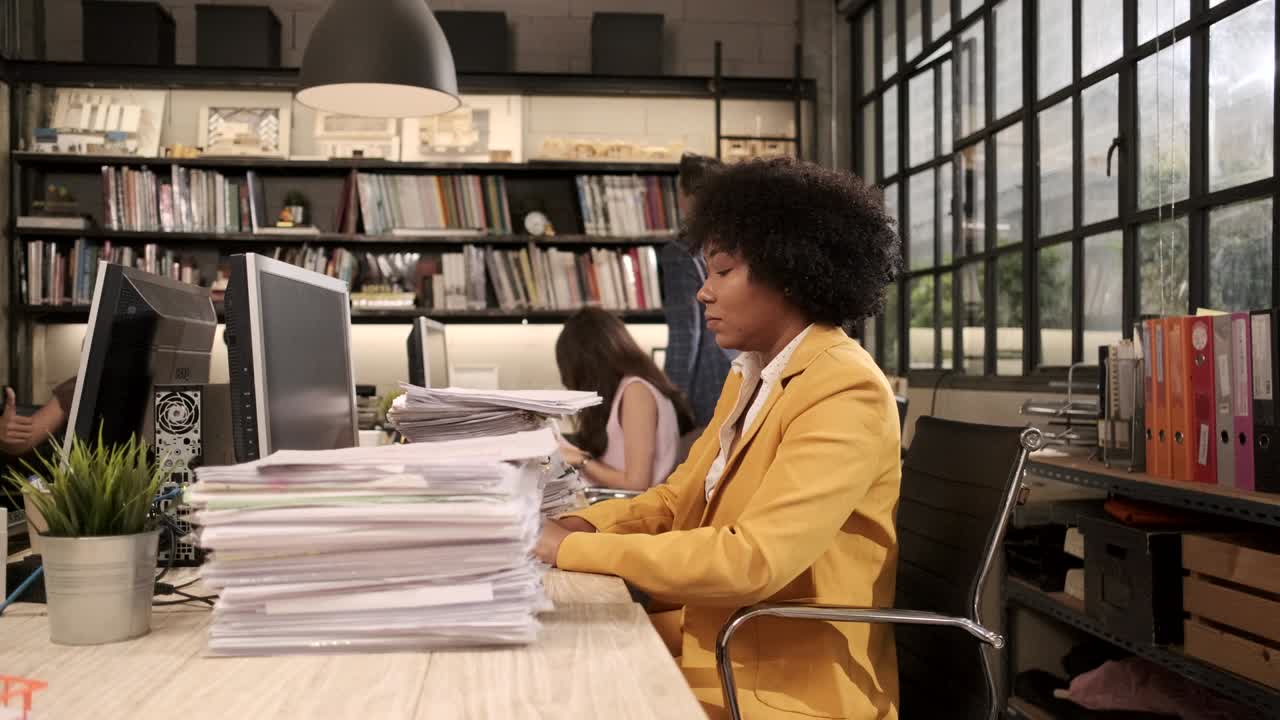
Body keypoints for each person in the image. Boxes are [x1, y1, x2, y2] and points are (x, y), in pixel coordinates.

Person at [537, 158, 904, 720]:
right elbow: (674, 499)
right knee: (547, 660)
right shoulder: (751, 374)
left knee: (556, 687)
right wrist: (579, 526)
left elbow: (753, 558)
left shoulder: (844, 386)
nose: (703, 294)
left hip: (787, 682)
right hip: (724, 640)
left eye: (722, 271)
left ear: (788, 270)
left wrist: (570, 549)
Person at [555, 307, 696, 491]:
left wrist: (581, 460)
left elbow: (636, 484)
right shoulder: (626, 390)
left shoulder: (636, 391)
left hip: (634, 509)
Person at [661, 152, 733, 429]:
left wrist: (672, 397)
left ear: (689, 195)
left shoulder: (680, 251)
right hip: (740, 367)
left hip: (704, 379)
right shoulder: (734, 242)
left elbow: (685, 333)